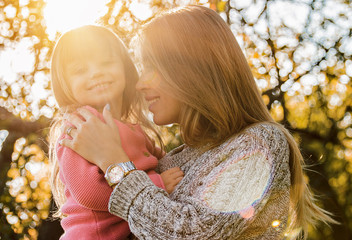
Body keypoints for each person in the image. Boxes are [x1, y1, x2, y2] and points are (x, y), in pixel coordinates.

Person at [60, 6, 336, 239]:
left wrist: (115, 165)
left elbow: (191, 232)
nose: (141, 83)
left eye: (151, 68)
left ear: (189, 69)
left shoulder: (259, 143)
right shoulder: (174, 160)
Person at [48, 25, 184, 240]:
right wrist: (156, 185)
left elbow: (162, 162)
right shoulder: (78, 128)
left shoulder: (135, 128)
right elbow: (89, 193)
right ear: (66, 85)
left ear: (124, 68)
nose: (96, 72)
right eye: (80, 70)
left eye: (106, 62)